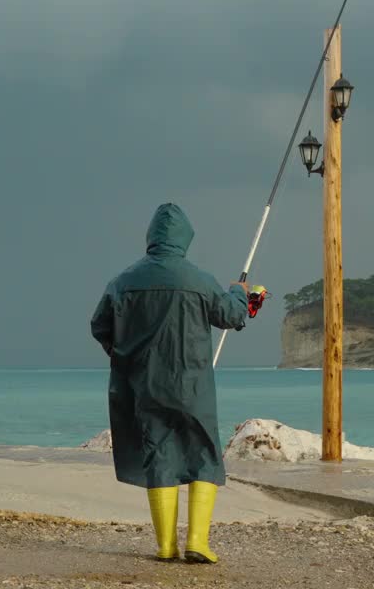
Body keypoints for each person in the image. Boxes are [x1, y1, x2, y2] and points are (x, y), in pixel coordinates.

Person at [90, 203, 248, 563]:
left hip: (144, 386)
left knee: (159, 455)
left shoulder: (123, 282)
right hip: (192, 385)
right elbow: (229, 315)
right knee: (203, 455)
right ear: (184, 239)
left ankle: (165, 546)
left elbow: (100, 326)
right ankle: (197, 542)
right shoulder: (198, 279)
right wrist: (240, 292)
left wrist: (125, 353)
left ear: (151, 238)